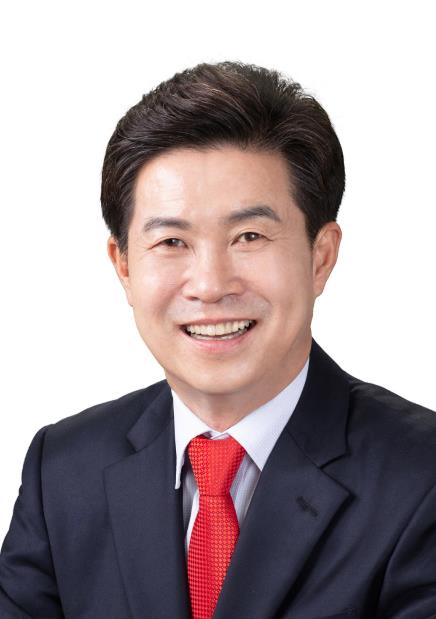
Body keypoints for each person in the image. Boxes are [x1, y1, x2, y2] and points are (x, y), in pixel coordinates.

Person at [1, 61, 435, 619]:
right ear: (124, 266)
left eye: (248, 236)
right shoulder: (62, 472)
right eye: (172, 242)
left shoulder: (421, 478)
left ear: (320, 256)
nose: (209, 285)